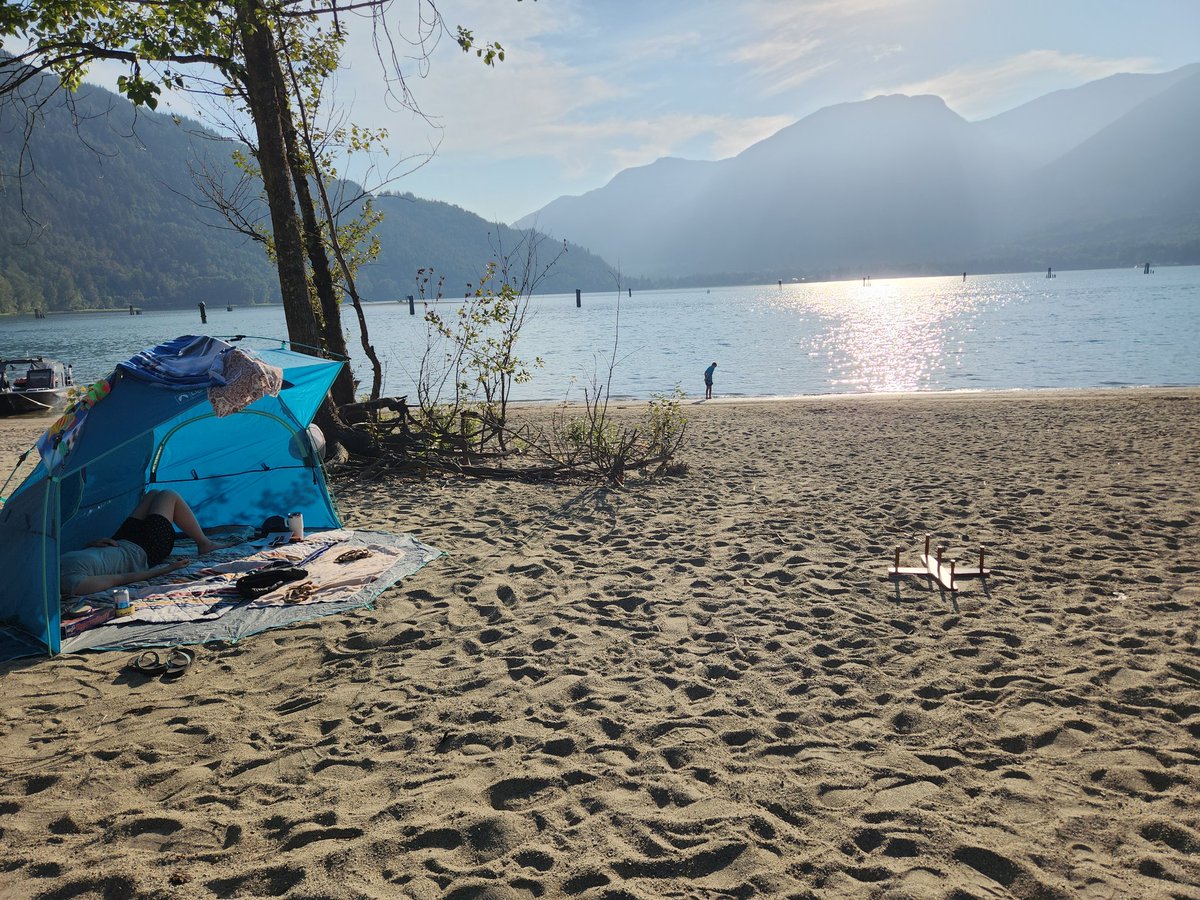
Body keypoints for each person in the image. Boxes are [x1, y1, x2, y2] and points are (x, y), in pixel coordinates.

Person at [59, 489, 222, 597]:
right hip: (145, 550)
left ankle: (203, 541)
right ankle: (204, 543)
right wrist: (167, 569)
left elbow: (86, 559)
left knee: (152, 494)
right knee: (168, 495)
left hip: (120, 541)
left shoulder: (53, 564)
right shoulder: (75, 584)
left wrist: (92, 544)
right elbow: (122, 578)